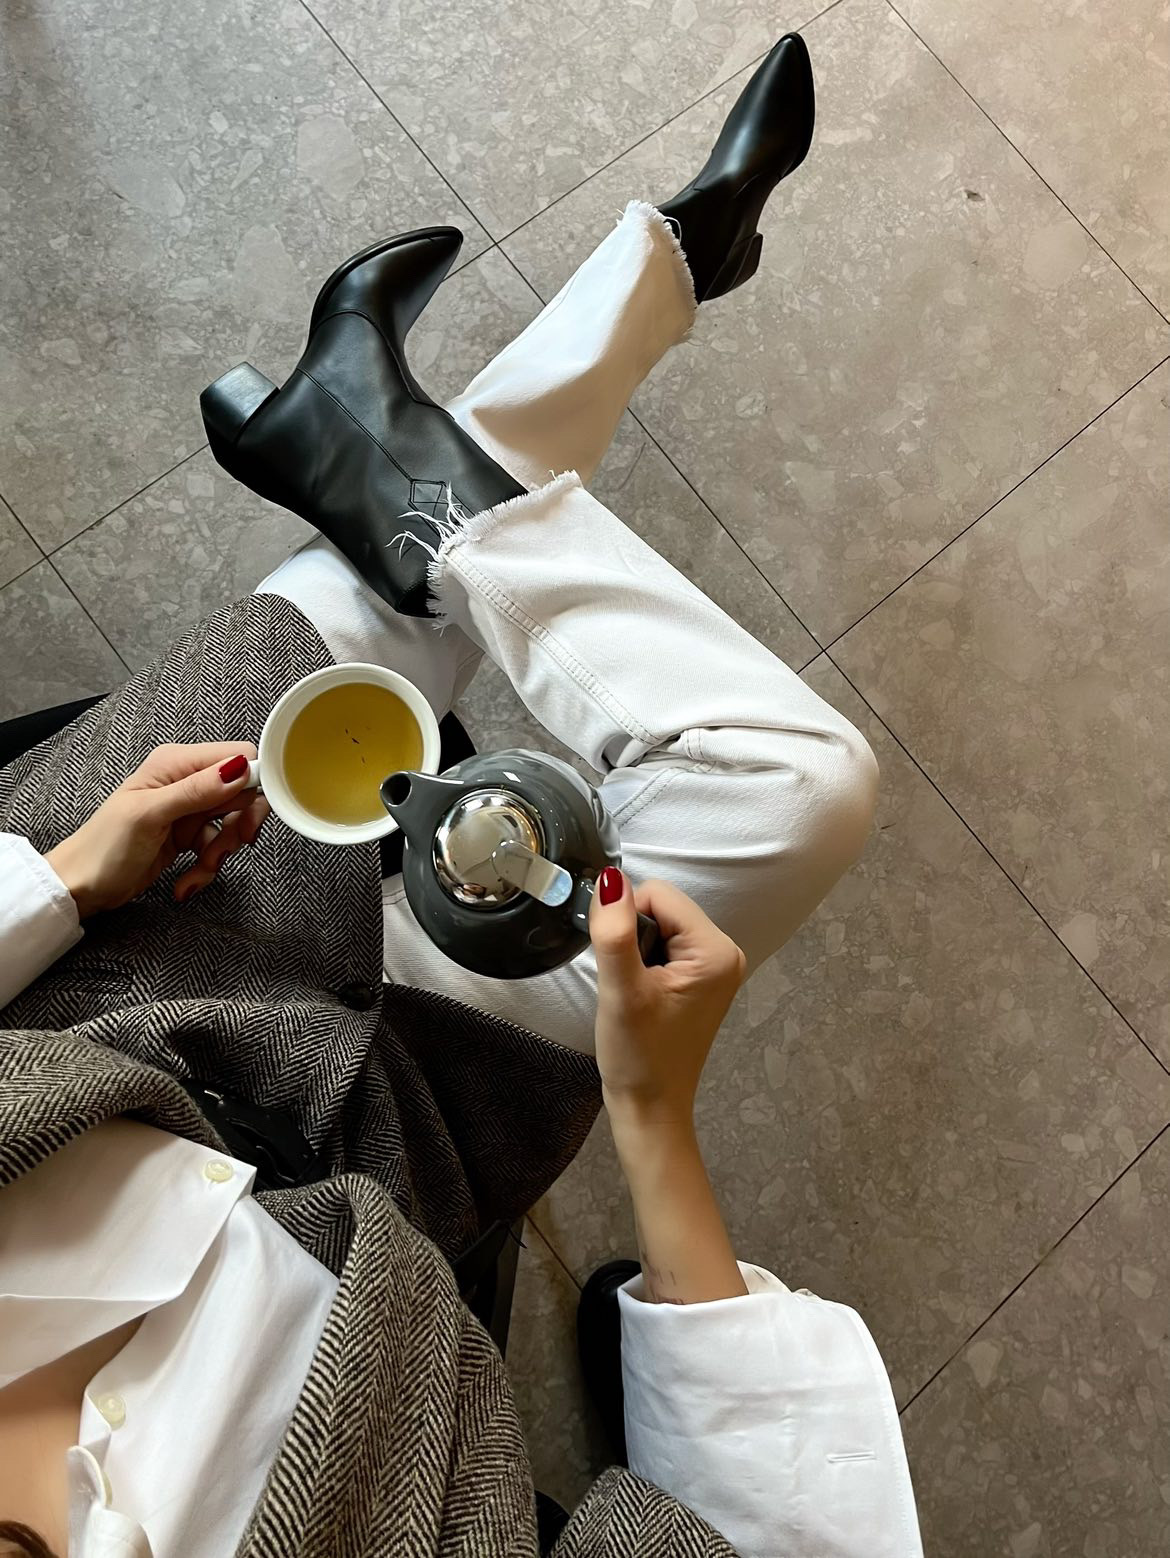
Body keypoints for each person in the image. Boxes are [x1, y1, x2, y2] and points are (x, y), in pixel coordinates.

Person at [0, 35, 922, 1558]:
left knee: (393, 605)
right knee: (795, 788)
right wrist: (655, 1116)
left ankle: (574, 340)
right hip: (415, 1134)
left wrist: (58, 883)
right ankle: (586, 318)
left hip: (136, 947)